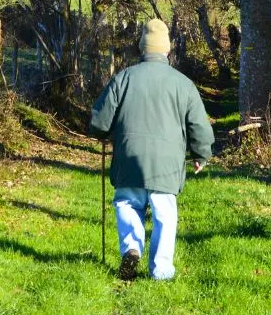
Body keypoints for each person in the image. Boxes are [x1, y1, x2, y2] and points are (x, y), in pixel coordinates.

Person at [90, 18, 215, 281]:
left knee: (126, 203)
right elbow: (199, 125)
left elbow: (99, 122)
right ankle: (160, 271)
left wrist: (101, 132)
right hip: (167, 165)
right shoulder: (183, 84)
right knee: (165, 216)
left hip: (129, 159)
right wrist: (201, 153)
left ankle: (132, 247)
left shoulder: (123, 78)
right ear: (167, 49)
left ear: (142, 49)